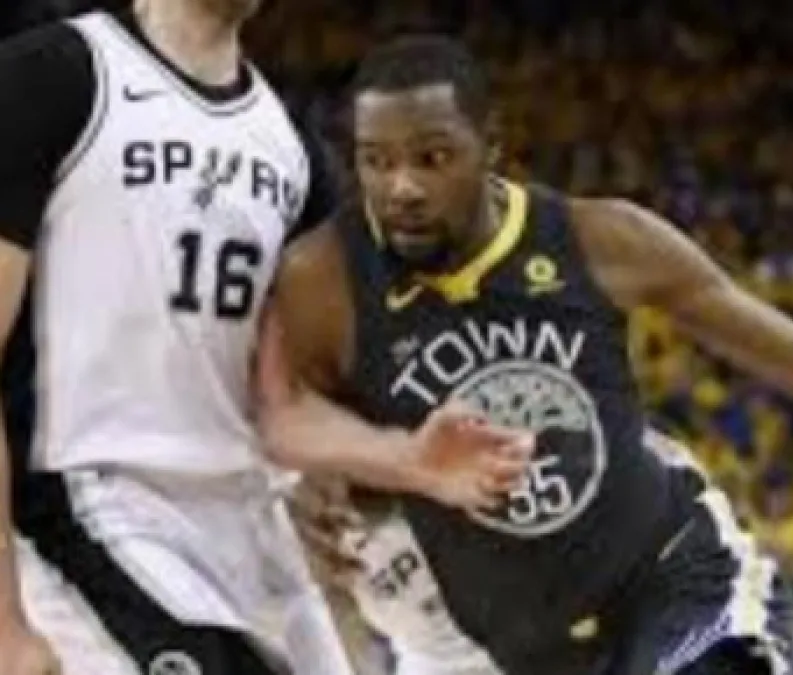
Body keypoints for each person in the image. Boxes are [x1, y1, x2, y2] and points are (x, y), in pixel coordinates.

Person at [261, 35, 793, 675]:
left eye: (431, 157)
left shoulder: (602, 241)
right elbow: (292, 437)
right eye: (375, 162)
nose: (402, 188)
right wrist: (310, 492)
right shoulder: (321, 284)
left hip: (668, 582)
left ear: (493, 145)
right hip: (482, 644)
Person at [0, 3, 533, 675]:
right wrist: (5, 621)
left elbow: (286, 406)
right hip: (94, 513)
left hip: (252, 523)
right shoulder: (55, 74)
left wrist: (400, 461)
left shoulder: (292, 153)